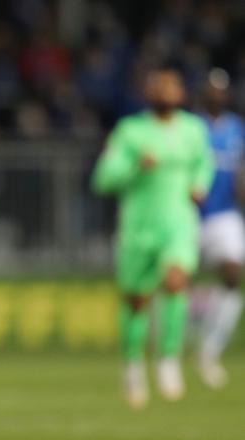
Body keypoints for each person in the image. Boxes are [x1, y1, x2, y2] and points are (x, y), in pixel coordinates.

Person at [92, 67, 215, 408]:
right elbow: (103, 178)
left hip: (178, 222)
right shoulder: (130, 132)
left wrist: (199, 185)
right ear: (148, 94)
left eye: (171, 86)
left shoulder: (193, 129)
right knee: (136, 301)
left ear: (180, 93)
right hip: (138, 227)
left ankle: (168, 359)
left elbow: (204, 163)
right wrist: (133, 166)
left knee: (176, 281)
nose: (165, 91)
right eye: (158, 86)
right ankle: (132, 366)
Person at [196, 68, 244, 389]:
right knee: (168, 281)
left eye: (221, 90)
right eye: (211, 89)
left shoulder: (237, 129)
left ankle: (209, 351)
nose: (216, 95)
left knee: (232, 273)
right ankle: (164, 351)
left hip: (225, 213)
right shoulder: (190, 127)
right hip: (187, 213)